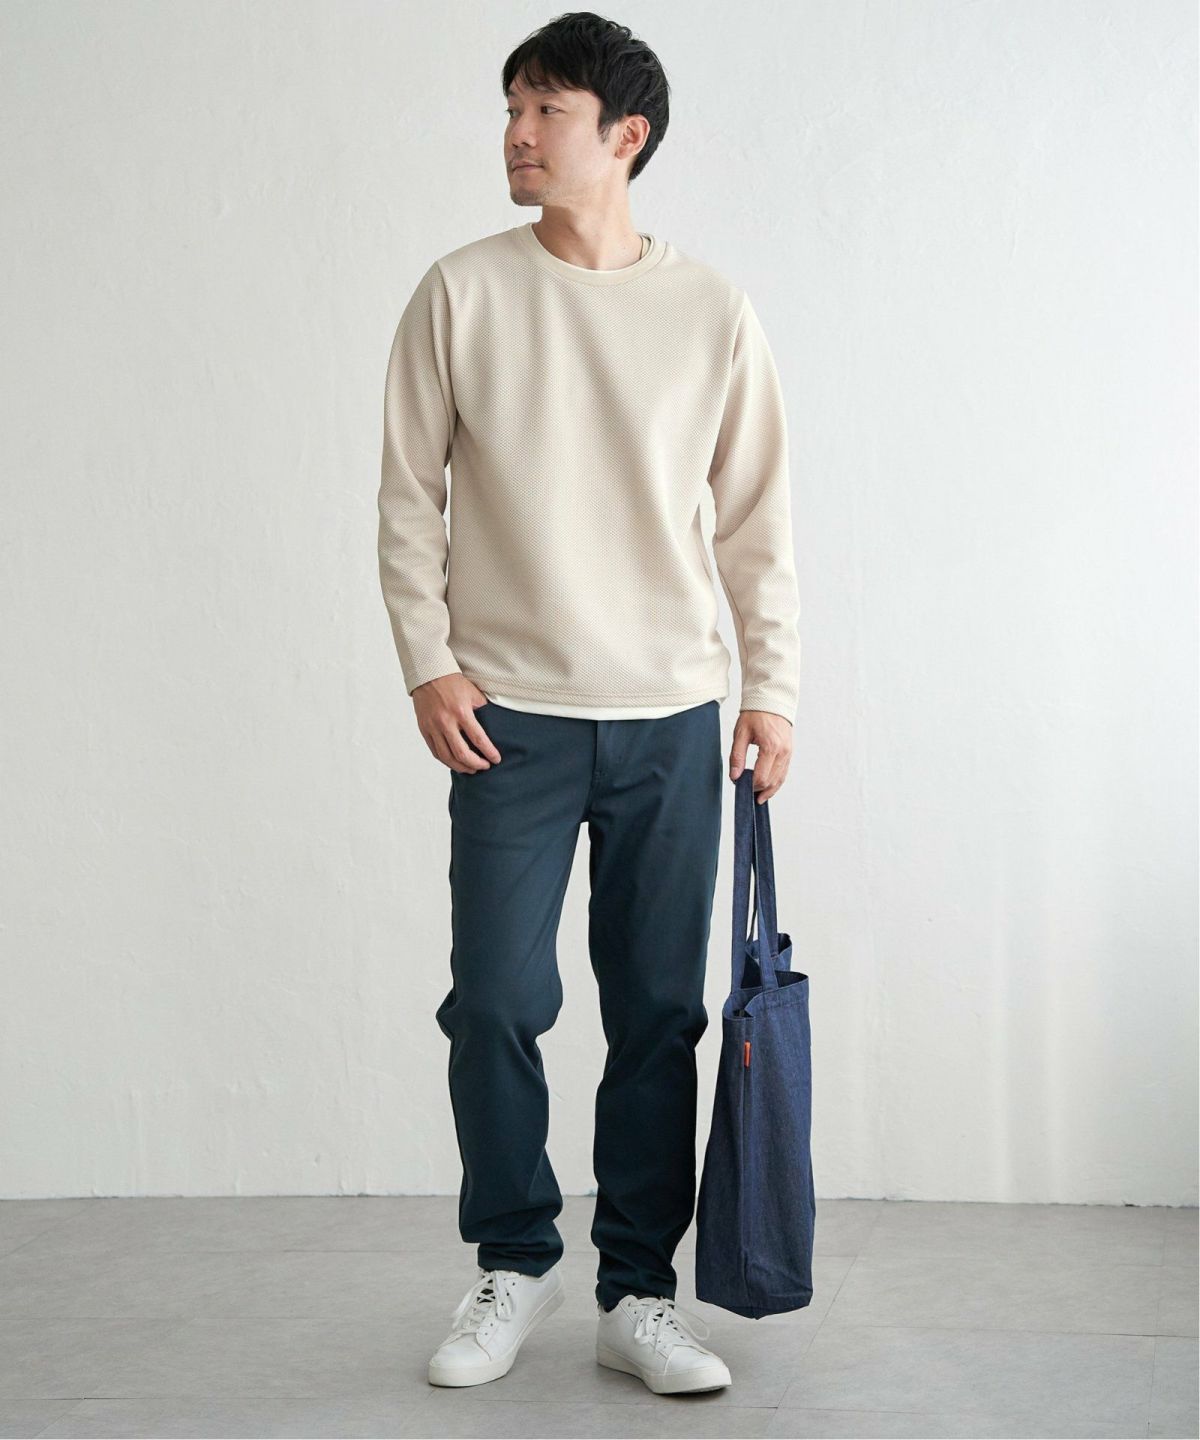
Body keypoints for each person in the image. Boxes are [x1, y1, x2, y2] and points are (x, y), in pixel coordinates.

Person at [376, 11, 801, 1398]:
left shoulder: (710, 310)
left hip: (673, 711)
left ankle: (638, 1292)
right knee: (495, 1001)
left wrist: (772, 687)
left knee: (658, 1014)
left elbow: (756, 521)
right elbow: (407, 497)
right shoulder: (461, 293)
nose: (515, 133)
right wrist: (428, 659)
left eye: (544, 110)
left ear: (626, 136)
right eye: (510, 107)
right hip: (507, 713)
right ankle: (514, 1260)